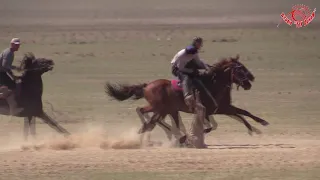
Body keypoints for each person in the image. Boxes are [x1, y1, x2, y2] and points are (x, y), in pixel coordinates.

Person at [171, 37, 210, 109]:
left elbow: (198, 62)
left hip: (187, 64)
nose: (200, 46)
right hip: (177, 68)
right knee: (186, 77)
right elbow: (181, 68)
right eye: (199, 44)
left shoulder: (194, 51)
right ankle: (187, 95)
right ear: (196, 43)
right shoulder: (182, 55)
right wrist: (192, 71)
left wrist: (207, 67)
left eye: (201, 44)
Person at [0, 38, 24, 115]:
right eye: (16, 45)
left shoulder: (10, 52)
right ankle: (12, 109)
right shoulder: (8, 53)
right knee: (12, 87)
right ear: (12, 44)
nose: (18, 46)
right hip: (1, 73)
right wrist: (16, 68)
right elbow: (4, 66)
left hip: (2, 72)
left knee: (12, 85)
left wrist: (13, 76)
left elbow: (6, 67)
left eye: (18, 45)